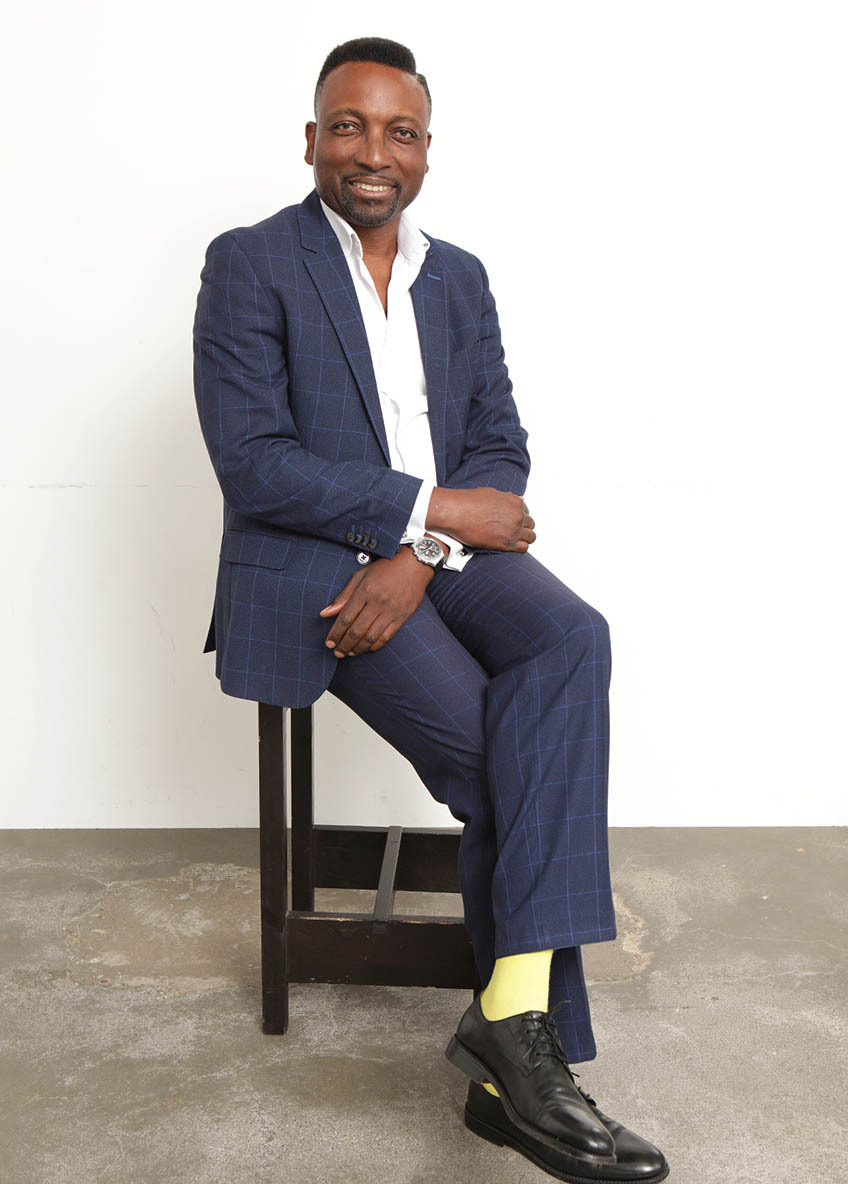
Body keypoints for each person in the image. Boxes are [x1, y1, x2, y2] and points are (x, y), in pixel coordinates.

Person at [193, 36, 668, 1182]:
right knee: (512, 767)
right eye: (348, 126)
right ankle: (526, 1061)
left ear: (424, 150)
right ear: (310, 140)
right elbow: (254, 462)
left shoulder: (458, 277)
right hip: (316, 565)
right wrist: (425, 516)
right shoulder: (250, 262)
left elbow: (497, 442)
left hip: (433, 556)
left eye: (397, 131)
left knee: (575, 635)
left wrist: (422, 545)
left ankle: (503, 1026)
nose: (372, 151)